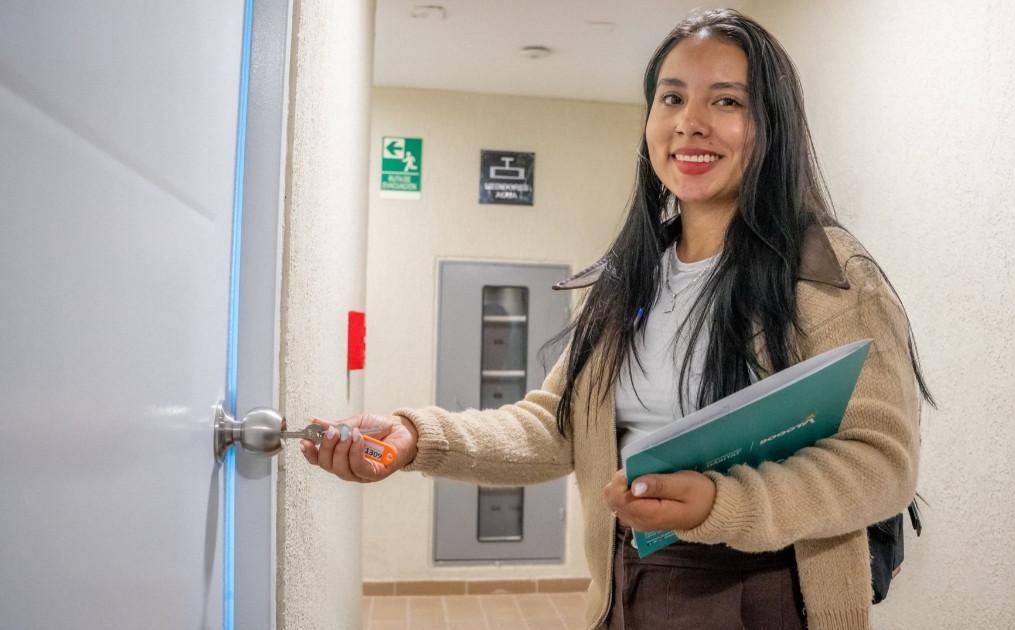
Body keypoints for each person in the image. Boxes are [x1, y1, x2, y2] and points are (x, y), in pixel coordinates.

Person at [301, 8, 931, 630]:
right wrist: (418, 438)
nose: (691, 123)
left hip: (768, 592)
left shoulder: (829, 276)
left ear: (774, 125)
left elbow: (880, 464)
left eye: (728, 102)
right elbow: (557, 426)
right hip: (626, 584)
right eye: (672, 98)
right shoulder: (627, 277)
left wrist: (724, 503)